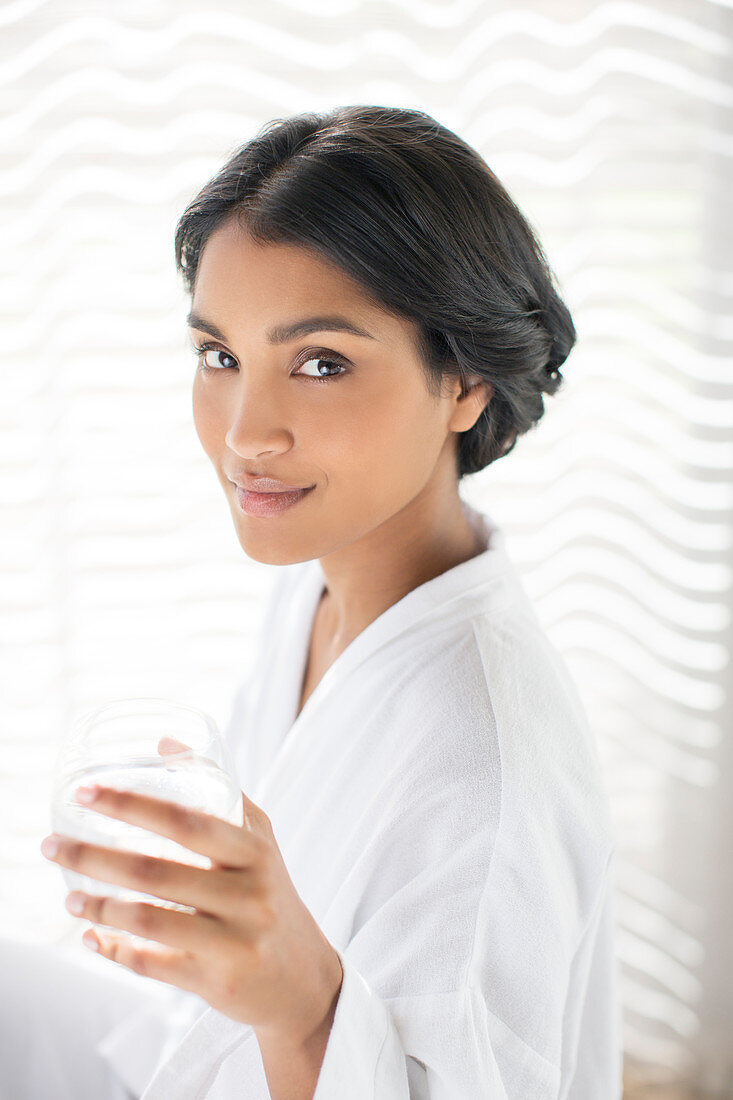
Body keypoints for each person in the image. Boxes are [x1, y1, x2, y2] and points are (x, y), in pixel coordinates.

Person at [6, 104, 622, 1098]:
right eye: (219, 354)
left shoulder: (484, 768)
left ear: (462, 381)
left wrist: (304, 1006)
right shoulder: (324, 580)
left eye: (321, 362)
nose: (247, 431)